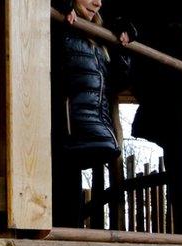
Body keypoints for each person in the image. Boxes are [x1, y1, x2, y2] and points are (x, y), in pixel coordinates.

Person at [51, 0, 135, 227]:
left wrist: (120, 46)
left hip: (88, 127)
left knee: (70, 202)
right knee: (57, 197)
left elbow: (117, 81)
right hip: (60, 126)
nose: (97, 2)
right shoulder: (58, 22)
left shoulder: (99, 35)